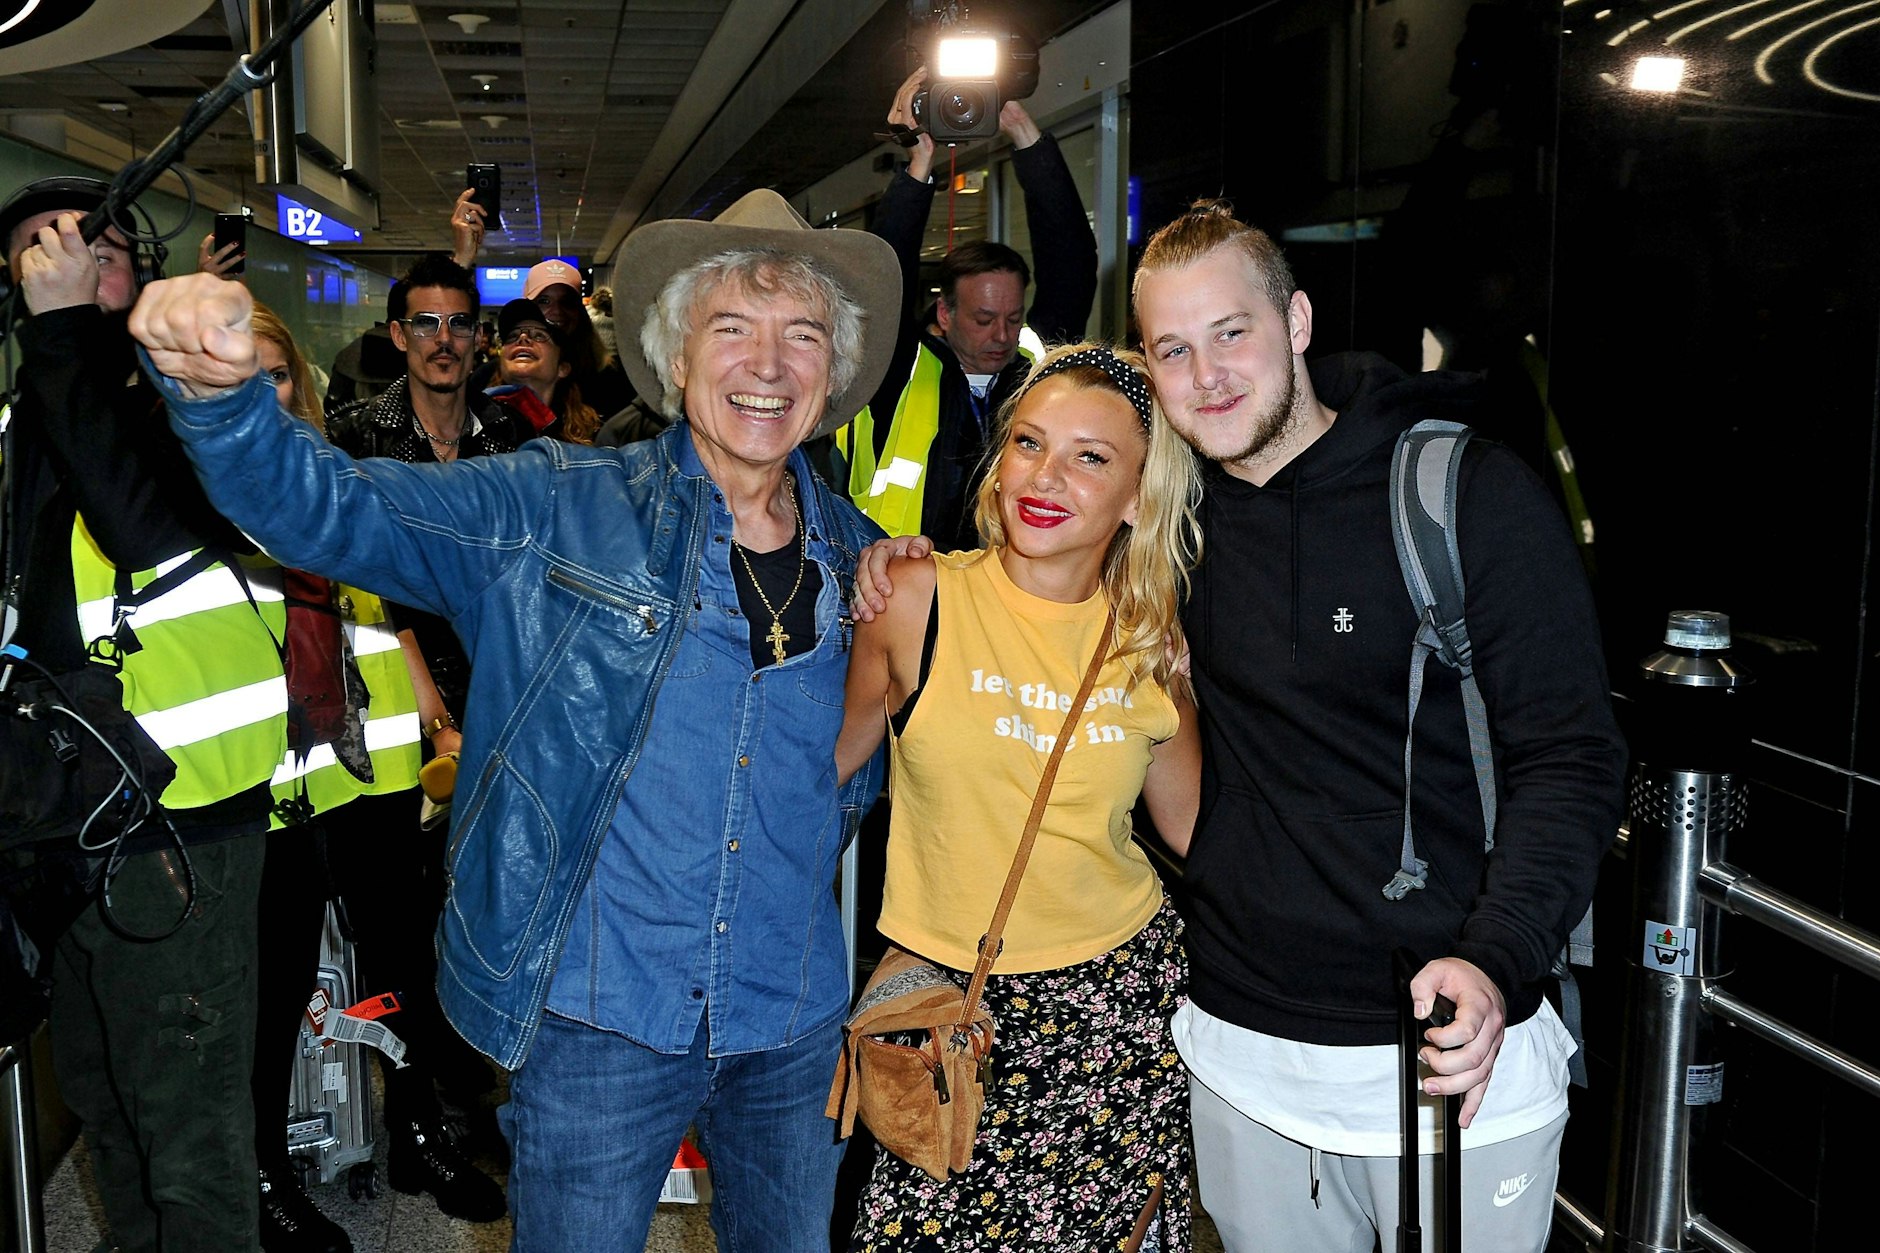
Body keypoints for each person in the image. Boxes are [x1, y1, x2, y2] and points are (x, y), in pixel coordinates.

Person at [128, 186, 901, 1251]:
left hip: (794, 1017)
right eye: (732, 327)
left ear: (834, 374)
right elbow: (339, 509)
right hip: (599, 1016)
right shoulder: (553, 506)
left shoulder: (872, 565)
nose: (766, 364)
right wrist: (221, 401)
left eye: (799, 335)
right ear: (675, 359)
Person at [1129, 201, 1627, 1251]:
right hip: (1237, 1051)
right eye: (1173, 349)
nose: (1207, 374)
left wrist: (1495, 959)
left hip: (1448, 1062)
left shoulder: (1464, 494)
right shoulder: (1168, 524)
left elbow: (1568, 757)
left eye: (1231, 332)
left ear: (1296, 321)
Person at [836, 343, 1203, 1252]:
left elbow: (1199, 835)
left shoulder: (1151, 643)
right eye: (1030, 443)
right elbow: (814, 776)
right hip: (948, 1017)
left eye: (1091, 457)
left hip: (1117, 1011)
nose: (1046, 477)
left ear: (1138, 497)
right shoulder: (914, 597)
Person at [1, 176, 285, 1252]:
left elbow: (136, 527)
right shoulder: (38, 399)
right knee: (103, 1100)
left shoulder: (190, 397)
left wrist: (66, 332)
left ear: (136, 269)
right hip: (64, 816)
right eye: (33, 252)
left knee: (191, 1131)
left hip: (183, 823)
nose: (55, 264)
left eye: (81, 245)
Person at [834, 67, 1099, 550]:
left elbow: (1072, 263)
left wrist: (1020, 127)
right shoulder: (900, 371)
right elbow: (885, 281)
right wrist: (919, 164)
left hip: (1006, 590)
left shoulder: (1035, 371)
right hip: (906, 587)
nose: (1002, 335)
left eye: (1013, 317)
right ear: (944, 314)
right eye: (982, 319)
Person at [485, 296, 602, 443]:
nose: (522, 338)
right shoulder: (472, 421)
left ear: (562, 368)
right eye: (512, 336)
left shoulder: (592, 434)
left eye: (539, 336)